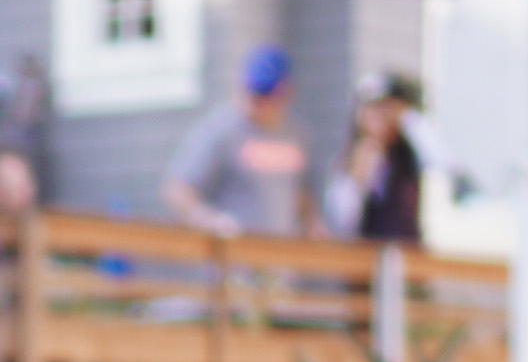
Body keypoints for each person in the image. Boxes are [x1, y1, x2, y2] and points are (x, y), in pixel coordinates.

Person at [163, 44, 313, 236]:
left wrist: (313, 227)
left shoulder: (296, 135)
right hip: (235, 260)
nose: (256, 100)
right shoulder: (221, 130)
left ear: (286, 93)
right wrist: (210, 220)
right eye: (252, 90)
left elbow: (302, 195)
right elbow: (177, 189)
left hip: (280, 259)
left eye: (265, 93)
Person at [323, 72, 424, 243]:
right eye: (371, 108)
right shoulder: (345, 162)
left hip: (406, 259)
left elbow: (446, 160)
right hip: (364, 261)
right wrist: (357, 180)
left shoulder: (408, 155)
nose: (378, 115)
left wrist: (406, 118)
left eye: (384, 108)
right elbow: (341, 223)